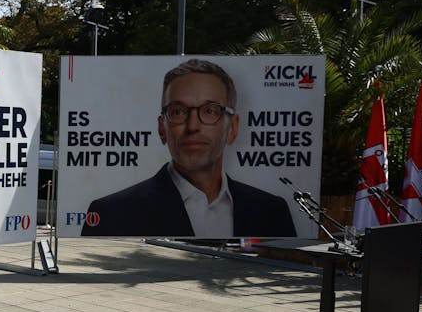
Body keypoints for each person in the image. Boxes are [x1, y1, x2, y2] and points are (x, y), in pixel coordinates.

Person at [82, 58, 295, 238]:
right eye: (177, 112)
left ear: (233, 128)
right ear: (161, 128)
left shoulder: (272, 211)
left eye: (210, 111)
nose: (193, 126)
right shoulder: (112, 212)